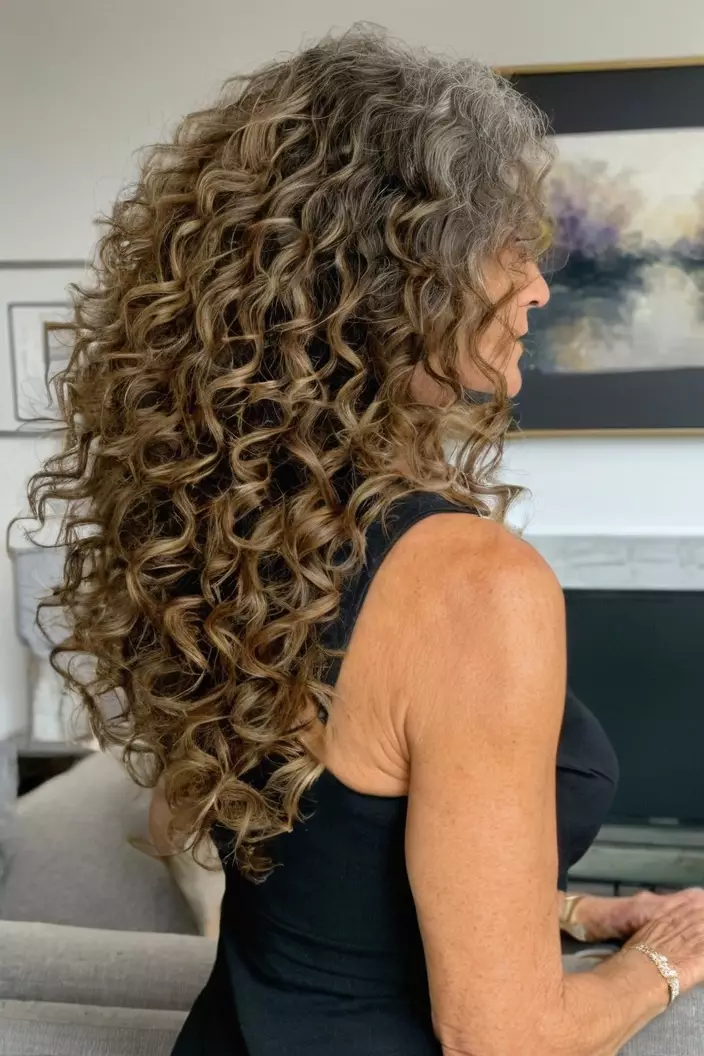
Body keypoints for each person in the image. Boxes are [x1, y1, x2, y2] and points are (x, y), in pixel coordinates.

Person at [27, 26, 704, 1056]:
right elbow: (502, 1037)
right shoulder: (475, 585)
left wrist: (552, 915)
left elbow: (323, 874)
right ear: (390, 275)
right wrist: (661, 964)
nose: (537, 286)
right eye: (506, 245)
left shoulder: (234, 535)